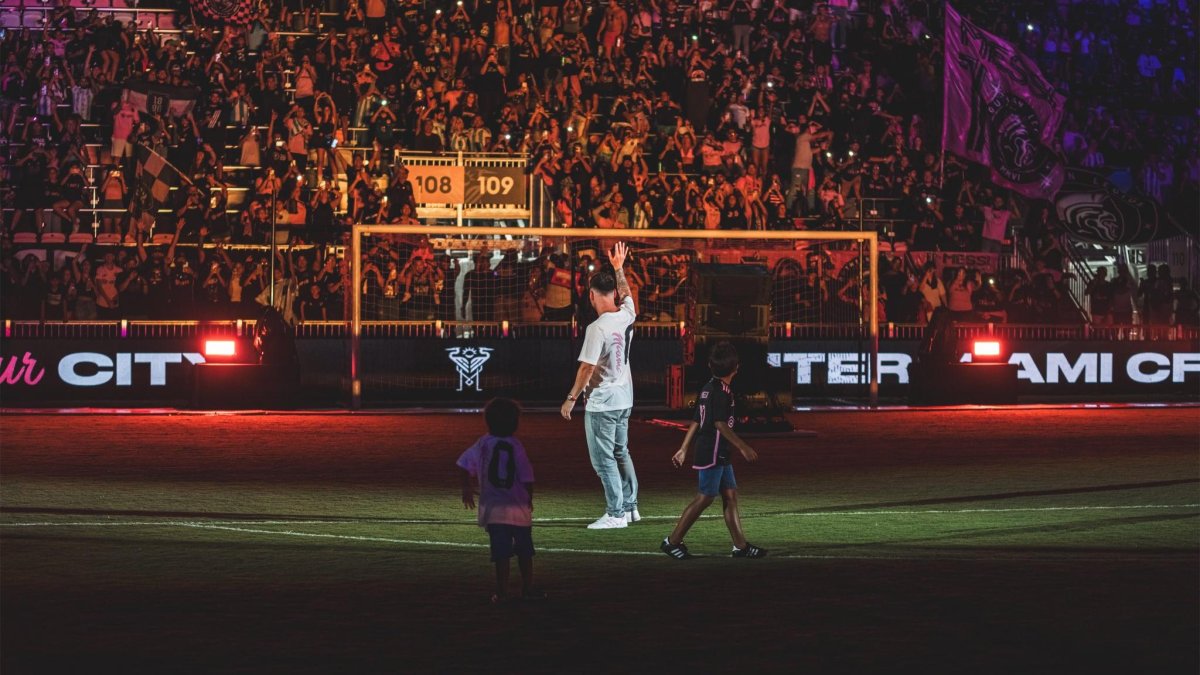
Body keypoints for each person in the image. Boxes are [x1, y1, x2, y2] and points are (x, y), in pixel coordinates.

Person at [661, 342, 766, 560]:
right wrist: (743, 446)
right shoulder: (722, 393)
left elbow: (697, 419)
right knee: (705, 498)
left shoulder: (708, 387)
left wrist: (683, 448)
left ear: (710, 366)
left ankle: (740, 546)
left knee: (730, 495)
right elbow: (719, 424)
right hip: (713, 451)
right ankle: (672, 542)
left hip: (717, 451)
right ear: (736, 368)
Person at [560, 242, 639, 530]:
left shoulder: (597, 328)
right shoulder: (626, 314)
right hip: (625, 399)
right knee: (621, 452)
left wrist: (571, 398)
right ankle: (630, 507)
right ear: (614, 294)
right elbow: (629, 296)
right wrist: (619, 268)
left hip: (603, 402)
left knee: (603, 459)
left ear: (592, 295)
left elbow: (587, 367)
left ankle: (616, 513)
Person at [456, 398, 543, 604]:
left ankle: (502, 592)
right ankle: (528, 589)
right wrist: (529, 497)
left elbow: (463, 464)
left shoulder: (483, 443)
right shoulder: (516, 445)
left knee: (501, 554)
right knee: (524, 552)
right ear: (515, 423)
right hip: (518, 508)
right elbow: (526, 476)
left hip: (494, 509)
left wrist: (467, 488)